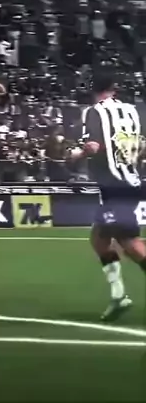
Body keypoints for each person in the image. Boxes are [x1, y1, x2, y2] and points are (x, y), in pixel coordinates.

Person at [70, 71, 146, 322]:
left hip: (115, 185)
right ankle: (118, 294)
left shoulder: (93, 112)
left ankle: (119, 296)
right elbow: (141, 146)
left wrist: (77, 155)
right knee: (99, 239)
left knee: (129, 243)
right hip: (130, 181)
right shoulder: (132, 111)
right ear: (114, 87)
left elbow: (92, 147)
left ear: (92, 89)